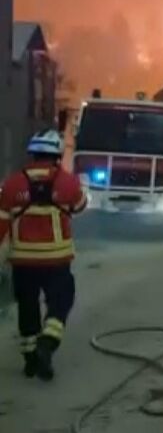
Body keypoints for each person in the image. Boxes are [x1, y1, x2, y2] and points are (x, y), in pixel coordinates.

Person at [0, 130, 87, 381]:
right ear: (57, 155)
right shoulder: (68, 182)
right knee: (61, 301)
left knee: (27, 307)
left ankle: (29, 360)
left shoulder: (12, 184)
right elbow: (80, 206)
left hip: (23, 261)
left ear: (32, 154)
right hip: (57, 261)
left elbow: (2, 223)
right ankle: (47, 343)